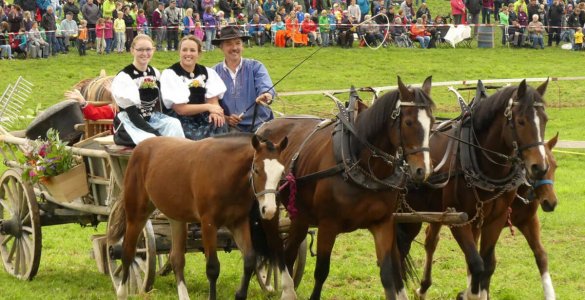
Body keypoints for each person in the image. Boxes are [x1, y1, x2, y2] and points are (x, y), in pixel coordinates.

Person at [111, 34, 184, 146]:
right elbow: (133, 115)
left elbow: (159, 105)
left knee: (174, 124)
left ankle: (176, 159)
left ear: (153, 50)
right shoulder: (125, 77)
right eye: (140, 49)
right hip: (130, 123)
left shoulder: (155, 73)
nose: (145, 53)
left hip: (151, 119)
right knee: (151, 139)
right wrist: (156, 134)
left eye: (148, 49)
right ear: (132, 50)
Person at [160, 35, 228, 140]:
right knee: (195, 137)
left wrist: (215, 111)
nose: (188, 54)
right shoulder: (170, 74)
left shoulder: (207, 72)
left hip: (202, 116)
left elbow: (213, 100)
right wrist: (209, 107)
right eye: (184, 50)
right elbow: (180, 109)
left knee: (219, 124)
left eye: (192, 50)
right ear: (179, 52)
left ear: (199, 53)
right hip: (181, 118)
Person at [212, 26, 274, 132]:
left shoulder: (256, 67)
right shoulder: (214, 72)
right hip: (229, 127)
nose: (234, 47)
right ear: (221, 47)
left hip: (260, 123)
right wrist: (226, 118)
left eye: (237, 43)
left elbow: (265, 86)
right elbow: (211, 103)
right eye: (229, 44)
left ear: (243, 46)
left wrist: (266, 95)